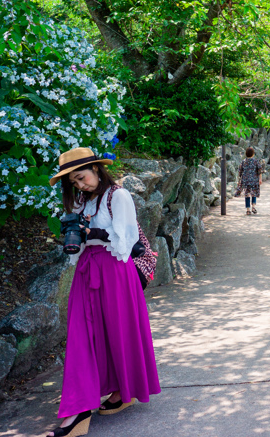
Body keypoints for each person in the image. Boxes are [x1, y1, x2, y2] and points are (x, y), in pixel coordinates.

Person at [47, 147, 161, 436]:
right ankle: (80, 406)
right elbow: (80, 243)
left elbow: (126, 239)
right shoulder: (82, 202)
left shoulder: (118, 196)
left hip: (115, 270)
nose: (80, 185)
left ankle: (123, 391)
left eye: (82, 177)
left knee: (118, 331)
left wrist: (93, 233)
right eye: (74, 182)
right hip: (87, 270)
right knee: (81, 335)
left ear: (96, 169)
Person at [235, 147, 263, 215]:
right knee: (254, 193)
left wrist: (239, 180)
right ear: (253, 154)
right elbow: (259, 171)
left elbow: (240, 171)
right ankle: (253, 207)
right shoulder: (255, 161)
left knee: (247, 194)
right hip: (254, 180)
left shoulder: (243, 161)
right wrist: (260, 179)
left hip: (246, 180)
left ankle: (248, 210)